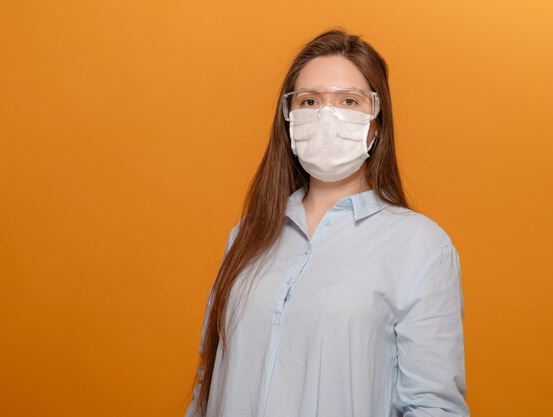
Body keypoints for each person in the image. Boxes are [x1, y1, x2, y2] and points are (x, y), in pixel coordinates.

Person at [185, 29, 469, 417]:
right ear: (289, 119)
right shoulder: (248, 235)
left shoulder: (420, 247)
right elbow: (209, 381)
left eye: (348, 100)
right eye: (310, 100)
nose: (326, 115)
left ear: (376, 123)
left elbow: (433, 406)